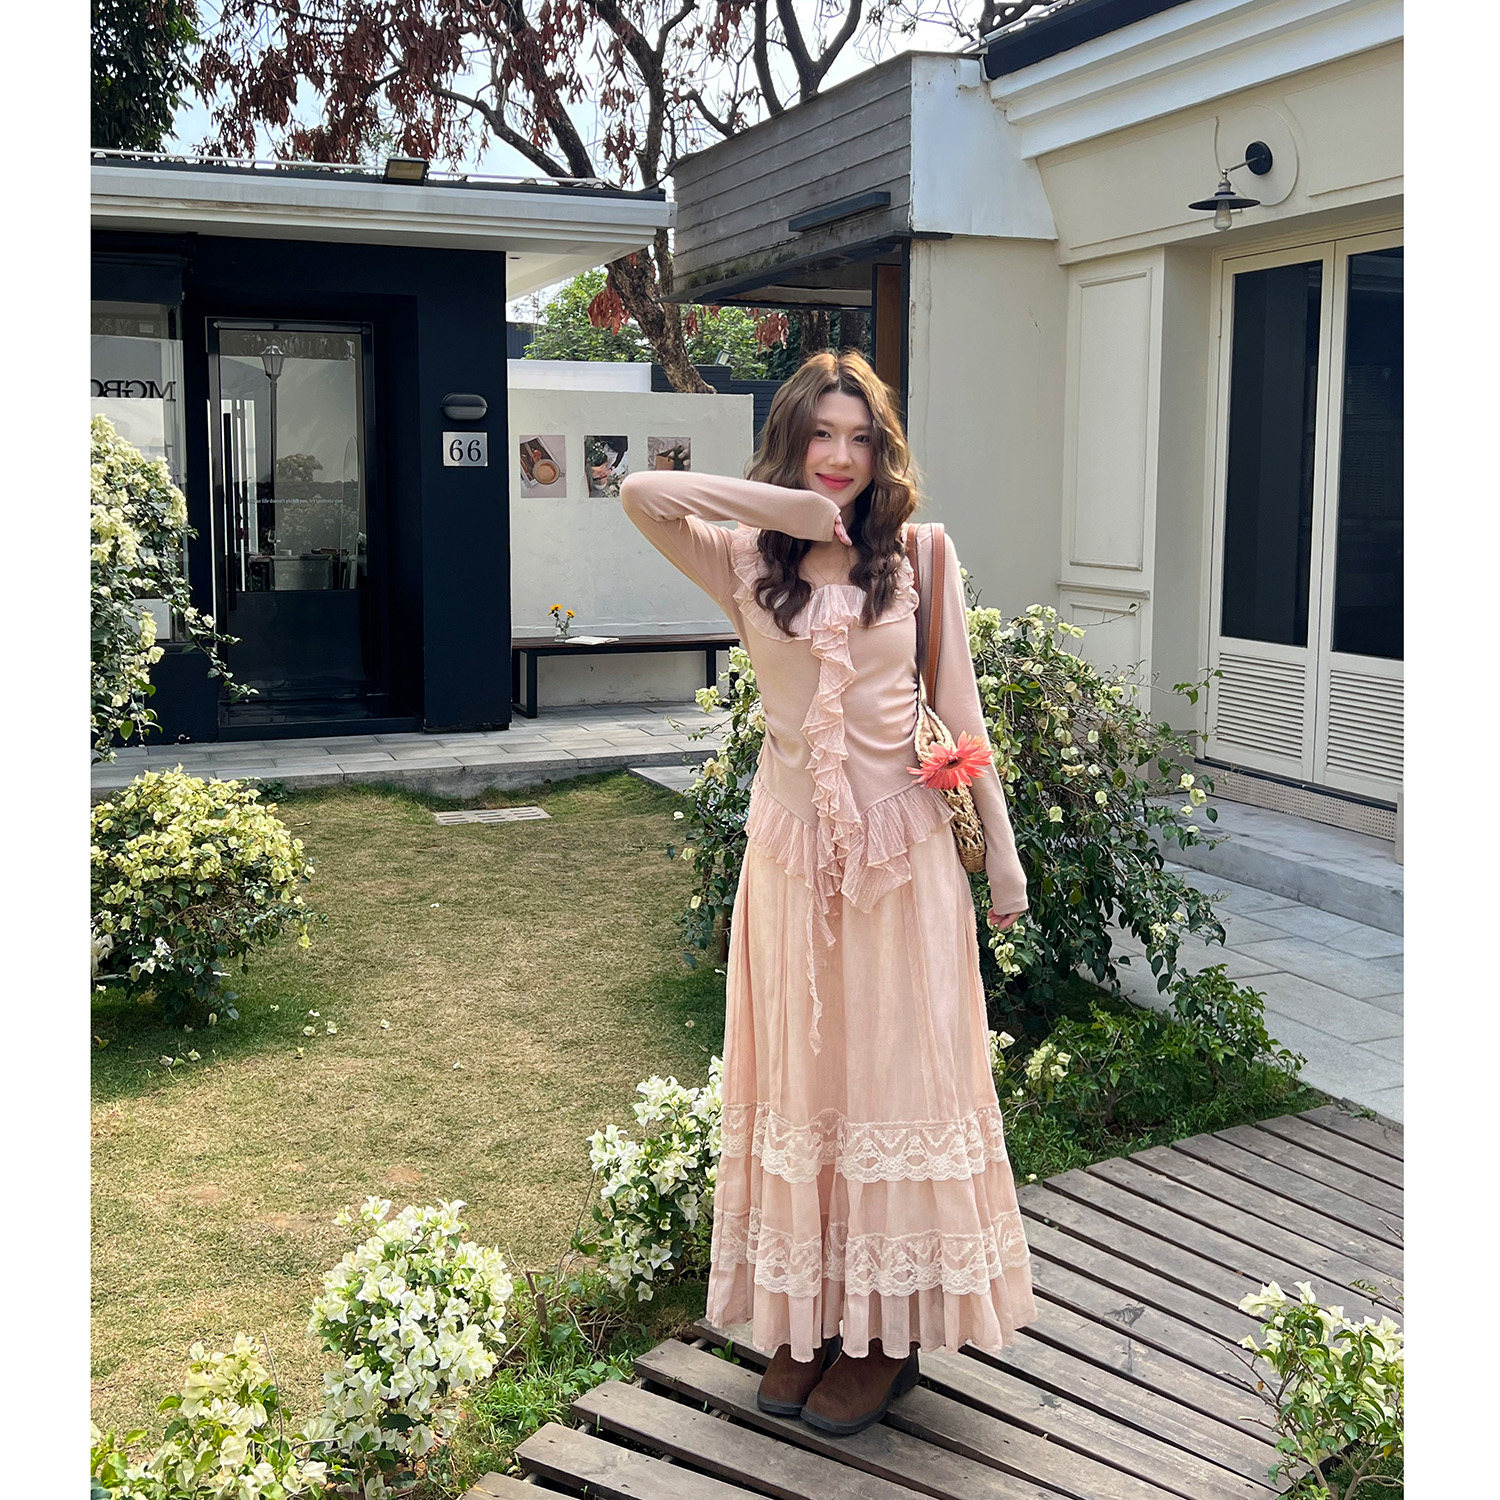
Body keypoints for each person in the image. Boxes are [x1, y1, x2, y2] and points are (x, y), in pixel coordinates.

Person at [619, 349, 1037, 1437]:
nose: (842, 456)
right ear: (791, 441)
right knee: (808, 1084)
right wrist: (791, 513)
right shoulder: (742, 557)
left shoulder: (921, 555)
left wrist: (1002, 855)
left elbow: (962, 716)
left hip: (903, 862)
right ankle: (809, 1318)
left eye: (860, 438)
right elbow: (641, 492)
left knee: (895, 1083)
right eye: (821, 435)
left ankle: (886, 1338)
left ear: (883, 448)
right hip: (791, 861)